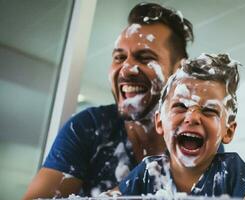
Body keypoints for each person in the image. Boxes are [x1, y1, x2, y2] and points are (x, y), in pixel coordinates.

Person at [23, 2, 194, 199]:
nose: (126, 68)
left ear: (179, 73)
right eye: (119, 57)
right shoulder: (88, 128)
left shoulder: (196, 136)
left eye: (145, 57)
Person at [116, 54, 245, 200]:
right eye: (181, 107)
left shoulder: (229, 170)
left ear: (227, 131)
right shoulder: (149, 171)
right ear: (160, 122)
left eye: (208, 110)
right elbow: (110, 196)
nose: (192, 117)